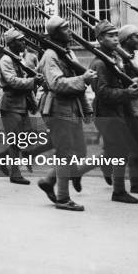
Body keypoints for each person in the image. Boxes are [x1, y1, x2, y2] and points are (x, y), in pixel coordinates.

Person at [36, 17, 96, 211]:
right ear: (54, 34)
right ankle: (63, 198)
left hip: (71, 108)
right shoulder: (50, 55)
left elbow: (77, 84)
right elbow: (57, 83)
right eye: (65, 29)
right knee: (65, 154)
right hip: (57, 109)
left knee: (80, 151)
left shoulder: (67, 52)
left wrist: (86, 109)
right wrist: (84, 78)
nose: (70, 31)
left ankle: (49, 180)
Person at [90, 21, 138, 204]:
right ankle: (118, 191)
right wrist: (126, 93)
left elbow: (118, 82)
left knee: (116, 151)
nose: (114, 38)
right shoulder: (100, 63)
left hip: (116, 111)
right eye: (110, 36)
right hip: (106, 112)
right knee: (120, 150)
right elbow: (103, 92)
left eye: (115, 35)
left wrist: (133, 81)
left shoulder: (112, 58)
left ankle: (66, 175)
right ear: (99, 39)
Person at [0, 28, 43, 185]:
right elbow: (12, 81)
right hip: (10, 104)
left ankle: (3, 155)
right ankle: (15, 174)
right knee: (16, 140)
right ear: (11, 43)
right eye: (20, 40)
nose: (24, 43)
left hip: (22, 103)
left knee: (26, 137)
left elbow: (24, 77)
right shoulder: (6, 60)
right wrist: (33, 81)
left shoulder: (19, 58)